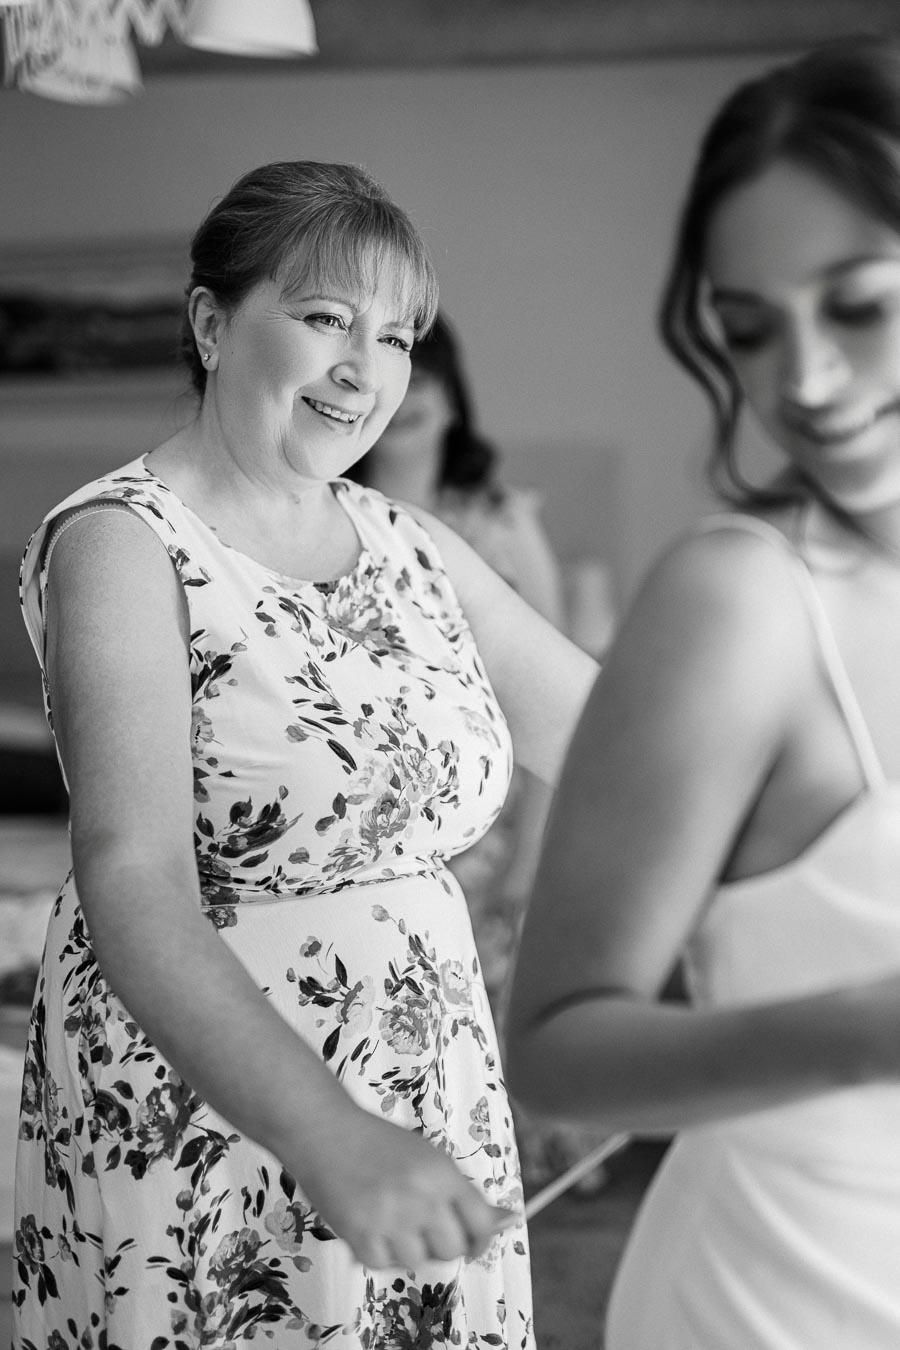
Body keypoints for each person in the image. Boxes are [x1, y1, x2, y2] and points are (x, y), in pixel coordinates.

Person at [12, 159, 597, 1348]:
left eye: (397, 335)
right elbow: (133, 879)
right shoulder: (124, 544)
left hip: (429, 1090)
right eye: (325, 318)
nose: (363, 369)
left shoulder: (411, 544)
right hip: (217, 1115)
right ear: (211, 322)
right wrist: (326, 1131)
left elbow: (620, 748)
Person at [506, 36, 900, 1349]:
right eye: (748, 329)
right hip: (785, 1302)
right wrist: (868, 1030)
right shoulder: (742, 602)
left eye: (859, 303)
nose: (808, 385)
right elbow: (557, 1045)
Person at [349, 314, 611, 1196]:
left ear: (456, 392)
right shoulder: (325, 519)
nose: (413, 391)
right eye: (394, 369)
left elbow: (555, 704)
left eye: (431, 372)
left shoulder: (499, 521)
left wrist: (535, 852)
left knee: (482, 1026)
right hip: (371, 827)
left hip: (492, 822)